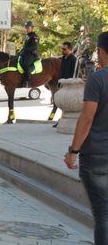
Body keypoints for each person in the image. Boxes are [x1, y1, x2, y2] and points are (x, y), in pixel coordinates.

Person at [64, 31, 108, 244]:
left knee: (103, 213)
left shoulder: (98, 80)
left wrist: (73, 151)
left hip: (97, 156)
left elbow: (87, 119)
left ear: (100, 52)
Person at [19, 20, 39, 87]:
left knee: (25, 65)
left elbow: (34, 47)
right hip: (25, 54)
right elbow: (25, 47)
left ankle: (27, 81)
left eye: (28, 27)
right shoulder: (27, 36)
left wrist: (24, 51)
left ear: (32, 28)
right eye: (26, 27)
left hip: (32, 55)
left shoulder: (34, 36)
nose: (26, 29)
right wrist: (20, 52)